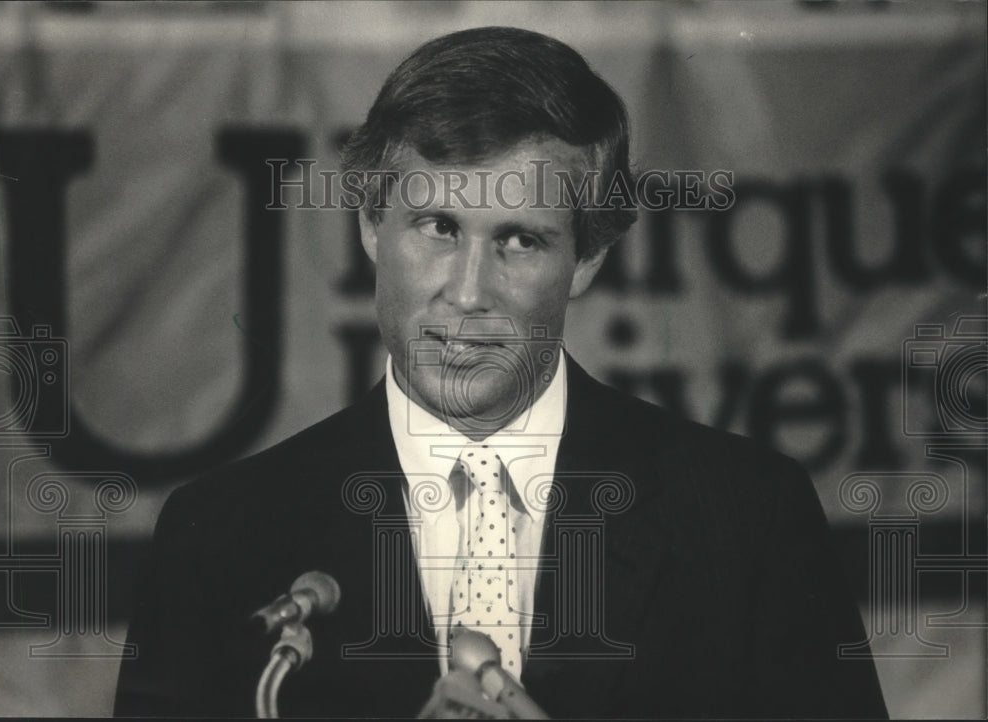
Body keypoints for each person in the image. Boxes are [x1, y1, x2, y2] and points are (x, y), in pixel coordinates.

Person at [114, 26, 887, 718]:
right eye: (439, 227)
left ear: (587, 258)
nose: (468, 292)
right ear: (371, 225)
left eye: (519, 240)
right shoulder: (217, 537)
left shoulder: (747, 517)